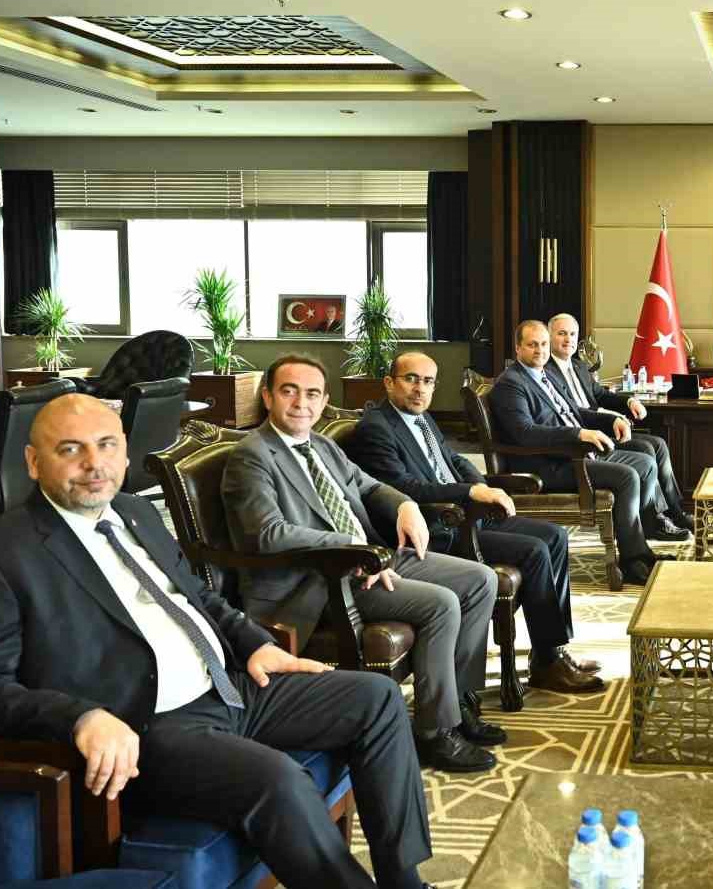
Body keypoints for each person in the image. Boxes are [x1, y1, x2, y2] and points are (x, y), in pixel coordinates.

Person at [0, 394, 437, 889]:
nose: (94, 464)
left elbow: (200, 598)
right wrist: (80, 717)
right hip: (147, 723)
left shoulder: (136, 513)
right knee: (278, 780)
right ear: (33, 462)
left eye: (107, 445)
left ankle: (403, 879)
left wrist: (256, 644)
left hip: (230, 688)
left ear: (124, 450)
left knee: (377, 696)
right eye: (70, 449)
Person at [222, 354, 502, 774]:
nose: (301, 403)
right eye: (289, 391)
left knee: (480, 579)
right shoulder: (253, 455)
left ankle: (458, 704)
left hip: (370, 558)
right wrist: (351, 546)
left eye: (312, 394)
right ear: (267, 396)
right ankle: (435, 733)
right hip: (317, 581)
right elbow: (267, 534)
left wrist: (405, 504)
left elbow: (368, 485)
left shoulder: (321, 445)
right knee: (441, 603)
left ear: (324, 401)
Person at [342, 350, 603, 694]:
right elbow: (404, 488)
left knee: (555, 536)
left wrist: (484, 487)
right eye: (411, 379)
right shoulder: (376, 428)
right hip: (441, 528)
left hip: (469, 515)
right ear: (390, 383)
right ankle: (548, 664)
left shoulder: (421, 417)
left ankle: (551, 651)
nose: (420, 389)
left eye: (428, 381)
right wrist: (471, 492)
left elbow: (454, 460)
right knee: (535, 551)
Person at [489, 320, 669, 586]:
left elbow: (575, 413)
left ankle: (640, 546)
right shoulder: (511, 384)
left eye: (543, 344)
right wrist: (579, 435)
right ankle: (633, 561)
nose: (540, 350)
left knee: (644, 463)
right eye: (532, 345)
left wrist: (612, 420)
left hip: (572, 453)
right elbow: (525, 433)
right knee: (627, 476)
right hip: (546, 464)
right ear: (518, 348)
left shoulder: (544, 375)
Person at [546, 312, 692, 537]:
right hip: (587, 435)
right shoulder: (545, 371)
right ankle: (652, 520)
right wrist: (611, 419)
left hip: (600, 428)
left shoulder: (578, 366)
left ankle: (675, 511)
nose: (568, 339)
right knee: (646, 449)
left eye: (573, 334)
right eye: (562, 334)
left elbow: (601, 395)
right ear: (549, 336)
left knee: (659, 444)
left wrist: (628, 401)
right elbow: (572, 412)